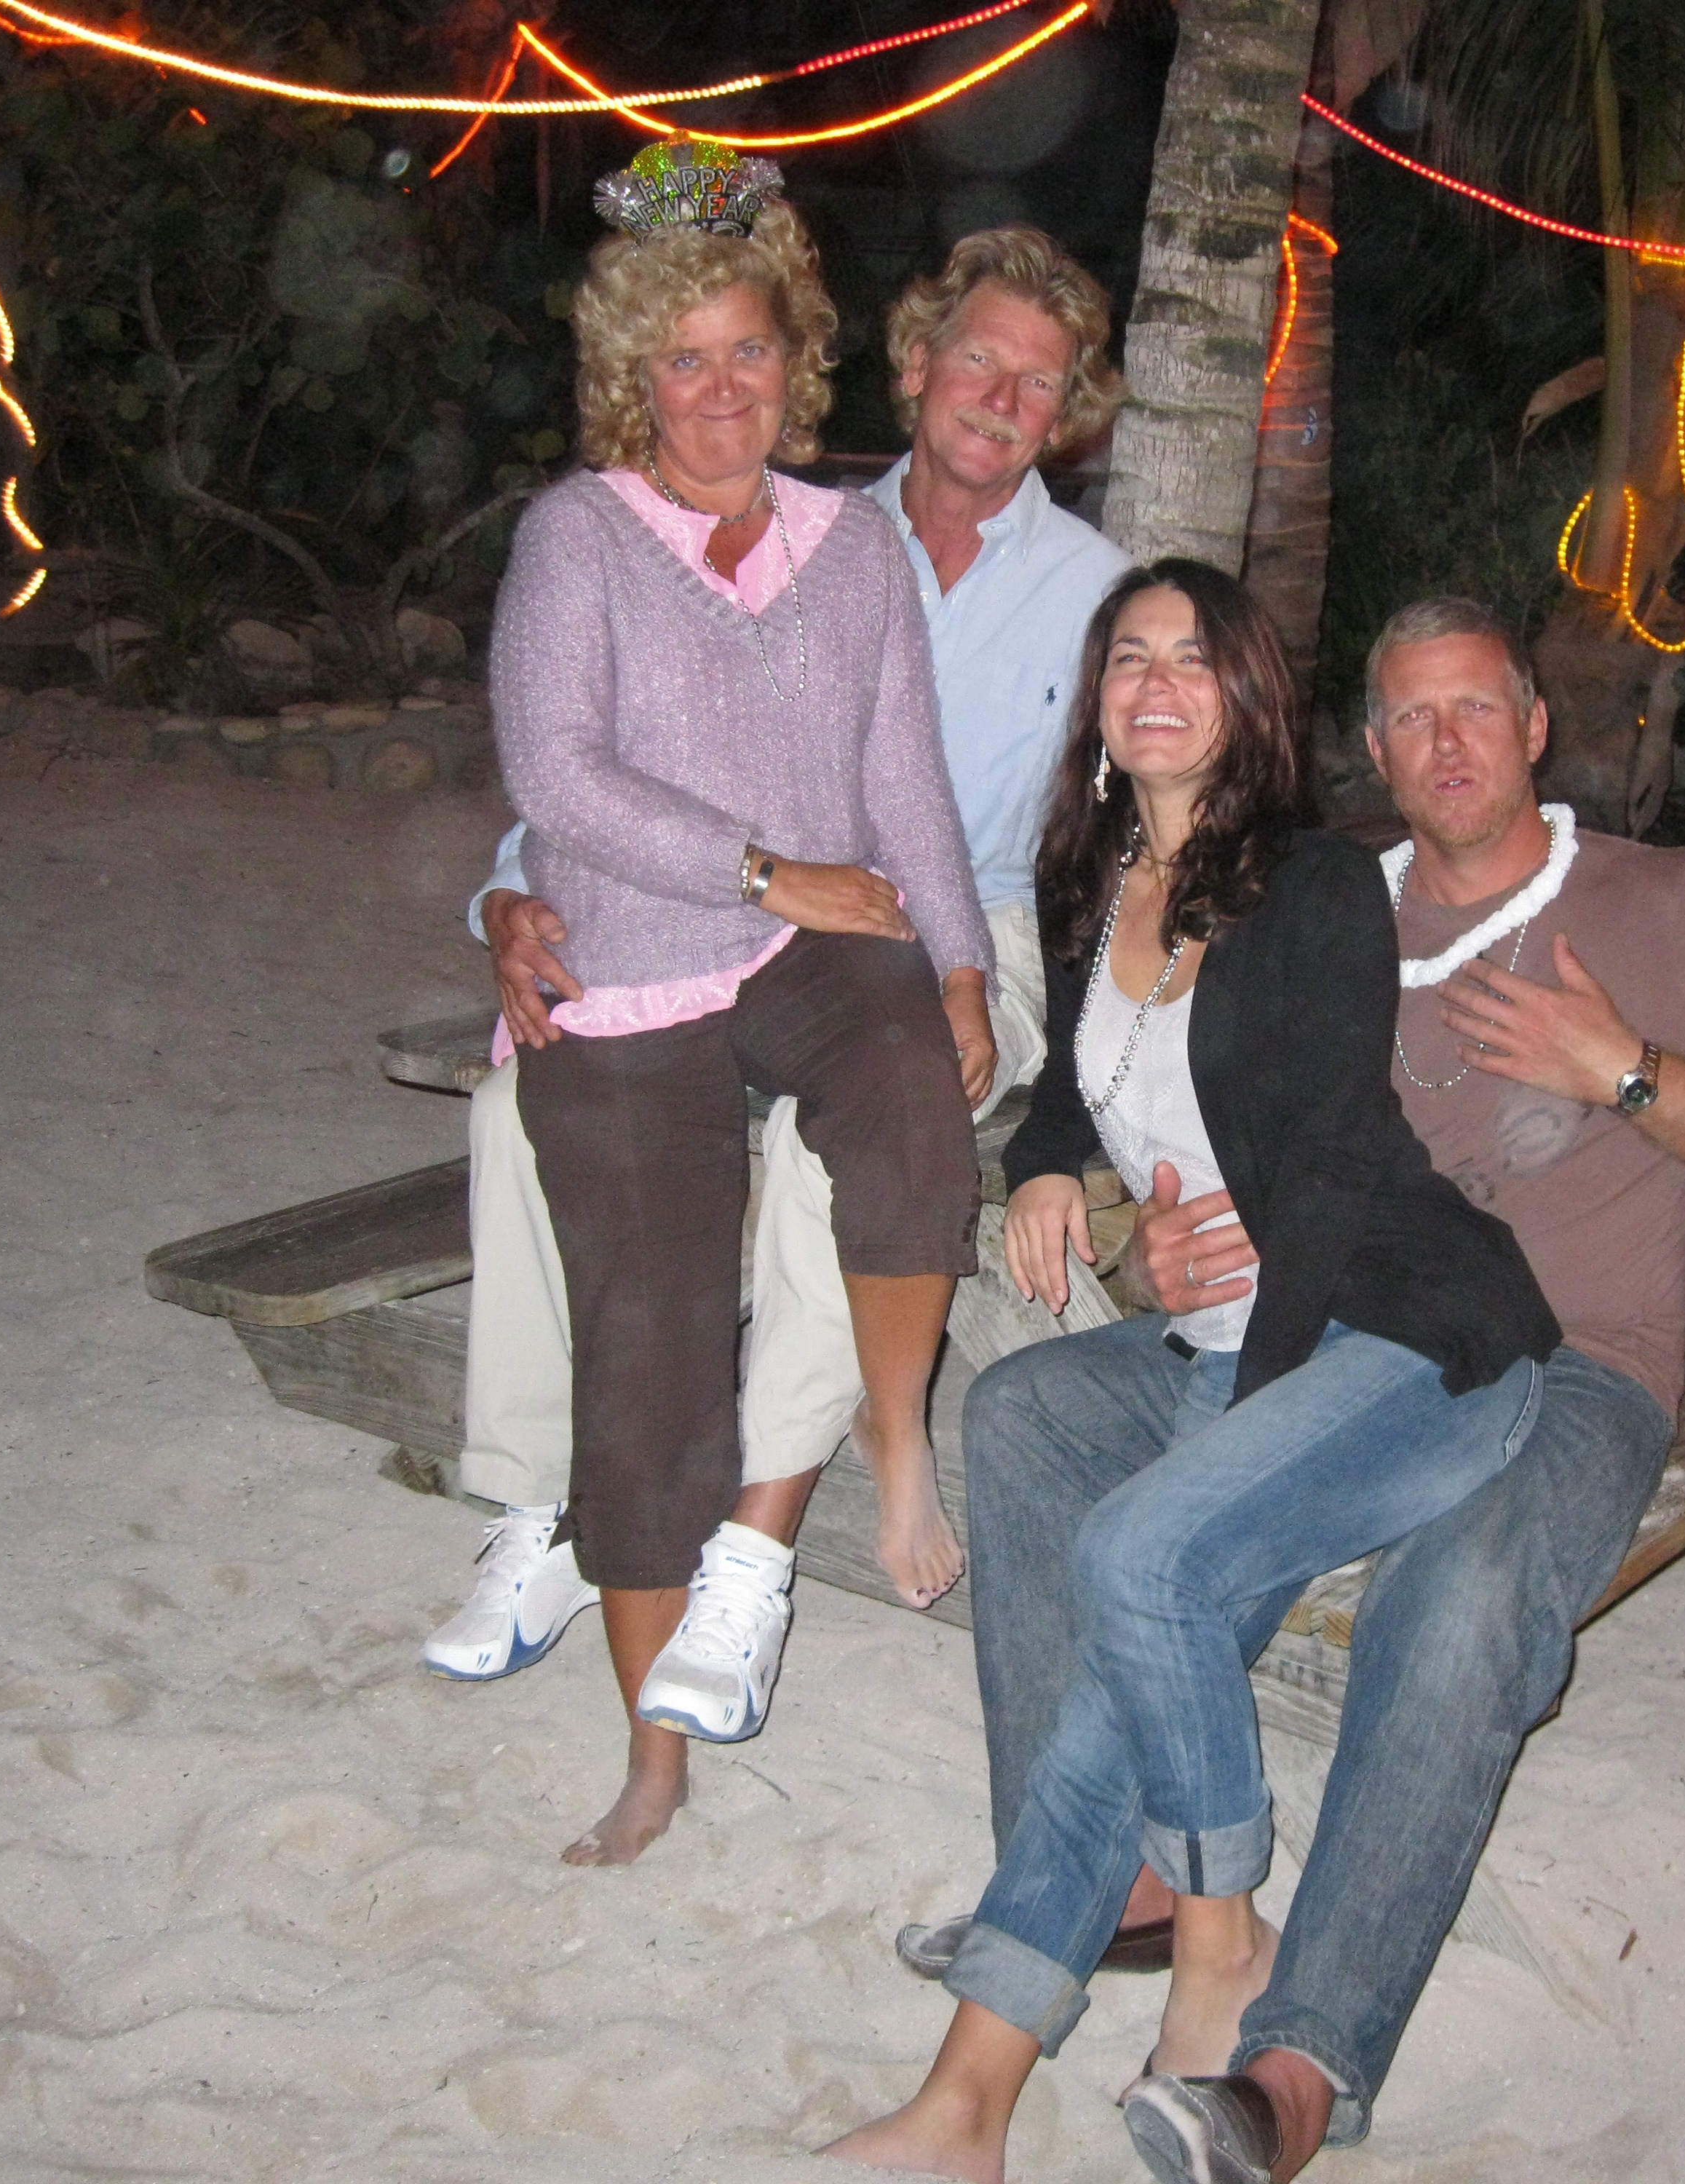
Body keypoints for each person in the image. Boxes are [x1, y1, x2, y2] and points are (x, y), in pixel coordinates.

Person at [937, 596, 1685, 2184]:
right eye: (1411, 718)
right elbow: (1165, 1105)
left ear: (1535, 725)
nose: (1445, 744)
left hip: (1567, 1361)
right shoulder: (1311, 899)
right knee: (1025, 1418)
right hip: (1313, 1327)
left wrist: (1623, 1072)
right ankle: (1103, 1878)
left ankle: (1295, 2068)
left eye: (1475, 709)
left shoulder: (1666, 900)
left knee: (1459, 1598)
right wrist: (1148, 1245)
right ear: (1370, 746)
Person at [822, 566, 1563, 2184]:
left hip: (1404, 1332)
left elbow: (1336, 1168)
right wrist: (1041, 1167)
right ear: (1098, 703)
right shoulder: (1091, 879)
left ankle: (1181, 1960)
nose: (1155, 685)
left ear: (1247, 699)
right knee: (1020, 1418)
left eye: (1192, 661)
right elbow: (1079, 1092)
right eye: (1128, 659)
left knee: (1146, 1559)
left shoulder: (1315, 887)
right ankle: (1071, 1948)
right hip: (1228, 1329)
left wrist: (1239, 1418)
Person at [427, 228, 1130, 1736]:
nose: (1002, 399)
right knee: (511, 1111)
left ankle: (763, 1530)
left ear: (1069, 414)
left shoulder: (1100, 596)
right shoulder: (810, 521)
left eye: (1040, 382)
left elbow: (1092, 816)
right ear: (913, 361)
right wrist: (508, 902)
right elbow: (582, 765)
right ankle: (545, 1503)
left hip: (965, 922)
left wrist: (969, 974)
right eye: (979, 360)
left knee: (850, 1125)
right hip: (733, 910)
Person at [485, 139, 997, 1867]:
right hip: (628, 962)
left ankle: (895, 1430)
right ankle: (652, 1754)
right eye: (683, 359)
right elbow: (554, 772)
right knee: (646, 1337)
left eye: (750, 351)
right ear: (632, 376)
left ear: (798, 360)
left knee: (910, 1077)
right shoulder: (575, 538)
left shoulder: (854, 552)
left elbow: (905, 783)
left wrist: (958, 965)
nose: (721, 391)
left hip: (804, 950)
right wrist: (768, 872)